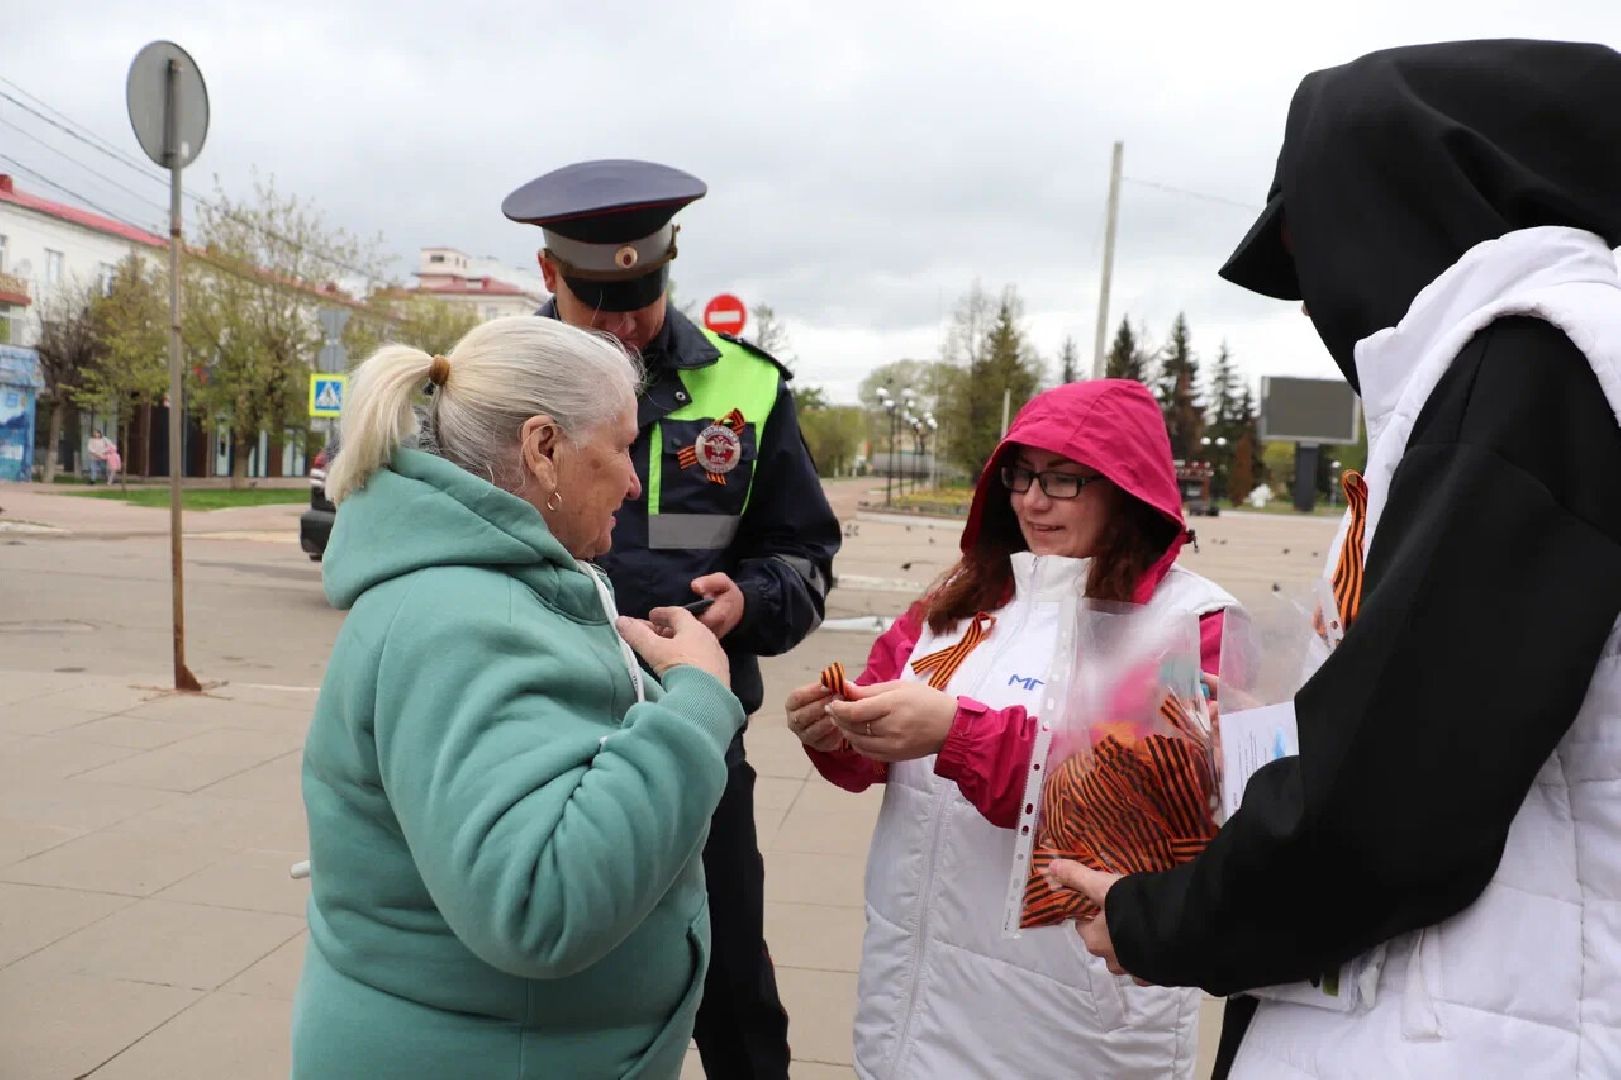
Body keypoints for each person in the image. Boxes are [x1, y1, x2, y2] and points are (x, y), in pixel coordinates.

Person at [1052, 39, 1621, 1080]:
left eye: (1306, 249)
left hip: (1493, 1021)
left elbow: (1394, 784)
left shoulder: (1534, 360)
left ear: (1386, 197)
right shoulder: (1548, 361)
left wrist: (1167, 916)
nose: (1317, 298)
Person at [291, 316, 748, 1079]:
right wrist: (697, 701)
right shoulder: (465, 622)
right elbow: (538, 905)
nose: (636, 480)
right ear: (543, 450)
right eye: (622, 445)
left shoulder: (486, 592)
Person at [783, 379, 1238, 1078]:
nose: (1031, 499)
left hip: (1071, 1026)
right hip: (913, 999)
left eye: (1063, 479)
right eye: (1019, 475)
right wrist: (838, 732)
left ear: (1127, 486)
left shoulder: (1190, 627)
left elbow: (1155, 810)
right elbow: (875, 748)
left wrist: (954, 734)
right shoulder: (956, 599)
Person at [502, 159, 842, 1079]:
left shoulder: (750, 389)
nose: (620, 322)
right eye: (597, 296)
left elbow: (804, 556)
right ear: (547, 276)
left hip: (694, 748)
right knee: (541, 1003)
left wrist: (752, 601)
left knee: (734, 997)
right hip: (530, 741)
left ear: (671, 266)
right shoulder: (491, 390)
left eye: (641, 294)